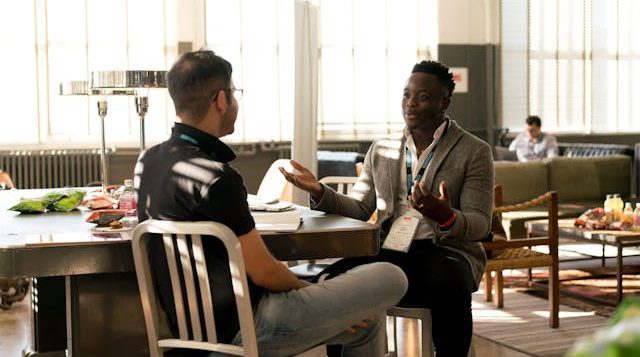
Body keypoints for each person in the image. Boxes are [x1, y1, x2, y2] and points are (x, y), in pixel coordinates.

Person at [135, 50, 408, 357]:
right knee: (391, 275)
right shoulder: (219, 178)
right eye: (235, 93)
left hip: (188, 334)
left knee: (366, 323)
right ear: (221, 100)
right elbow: (264, 272)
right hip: (249, 327)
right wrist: (310, 293)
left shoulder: (148, 162)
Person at [280, 60, 494, 356]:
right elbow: (358, 207)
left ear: (444, 102)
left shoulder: (474, 151)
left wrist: (445, 214)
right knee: (331, 284)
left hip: (446, 250)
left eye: (423, 97)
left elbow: (481, 223)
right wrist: (318, 190)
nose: (411, 104)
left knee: (449, 286)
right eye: (407, 95)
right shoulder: (381, 149)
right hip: (391, 249)